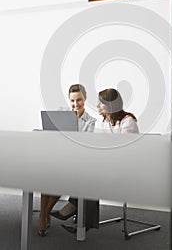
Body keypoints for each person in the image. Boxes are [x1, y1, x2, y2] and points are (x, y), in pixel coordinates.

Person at [53, 88, 139, 235]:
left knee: (89, 177)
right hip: (109, 167)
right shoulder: (104, 121)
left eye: (101, 104)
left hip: (127, 169)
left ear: (111, 105)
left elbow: (125, 152)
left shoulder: (127, 122)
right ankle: (80, 222)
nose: (98, 107)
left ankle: (75, 213)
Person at [38, 84, 97, 236]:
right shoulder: (60, 113)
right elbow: (51, 135)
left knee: (61, 180)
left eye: (79, 100)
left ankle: (45, 213)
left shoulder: (90, 121)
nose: (75, 104)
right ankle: (42, 216)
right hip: (57, 155)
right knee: (47, 177)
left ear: (85, 99)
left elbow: (86, 143)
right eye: (72, 101)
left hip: (76, 160)